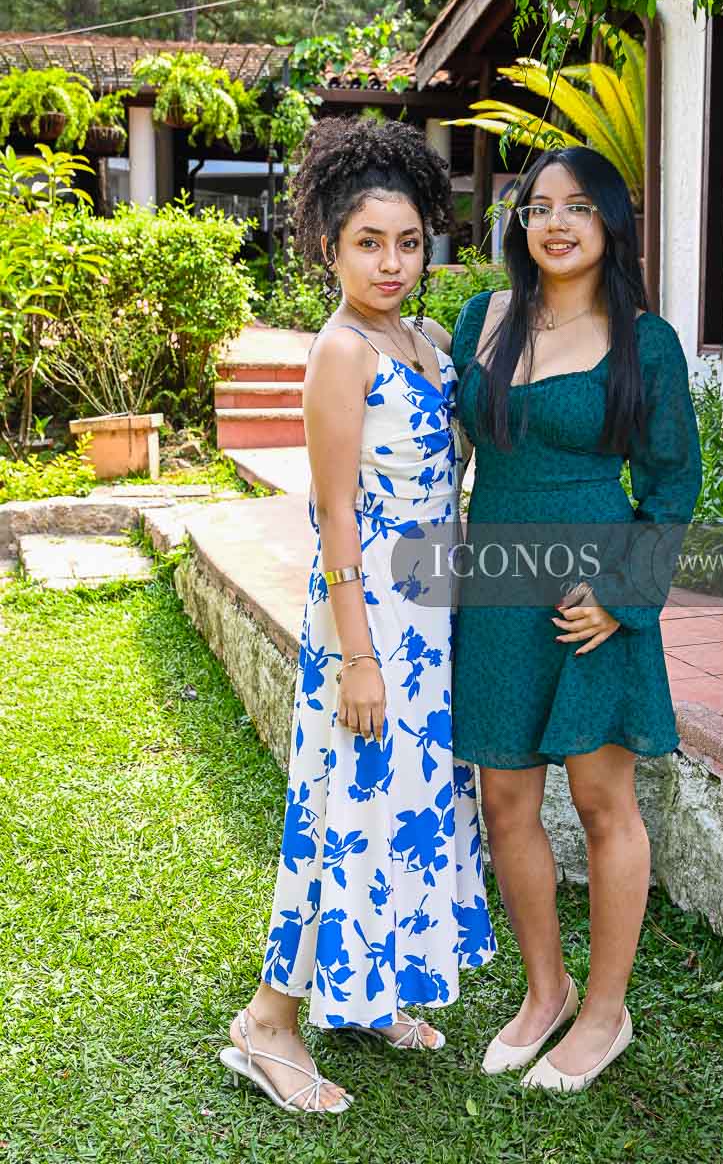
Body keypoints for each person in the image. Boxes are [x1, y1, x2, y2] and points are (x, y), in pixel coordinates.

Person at [219, 115, 496, 1115]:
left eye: (408, 241)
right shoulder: (340, 352)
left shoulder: (423, 340)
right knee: (342, 812)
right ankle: (268, 1024)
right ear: (328, 244)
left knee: (404, 810)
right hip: (368, 615)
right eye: (368, 242)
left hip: (429, 615)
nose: (391, 262)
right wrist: (361, 658)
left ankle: (369, 991)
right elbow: (333, 510)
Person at [449, 146, 702, 1093]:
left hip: (589, 597)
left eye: (579, 206)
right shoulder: (483, 319)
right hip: (498, 584)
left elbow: (673, 482)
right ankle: (544, 990)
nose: (555, 223)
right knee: (505, 802)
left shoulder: (645, 340)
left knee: (602, 804)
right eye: (539, 206)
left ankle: (605, 1013)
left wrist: (624, 597)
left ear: (611, 224)